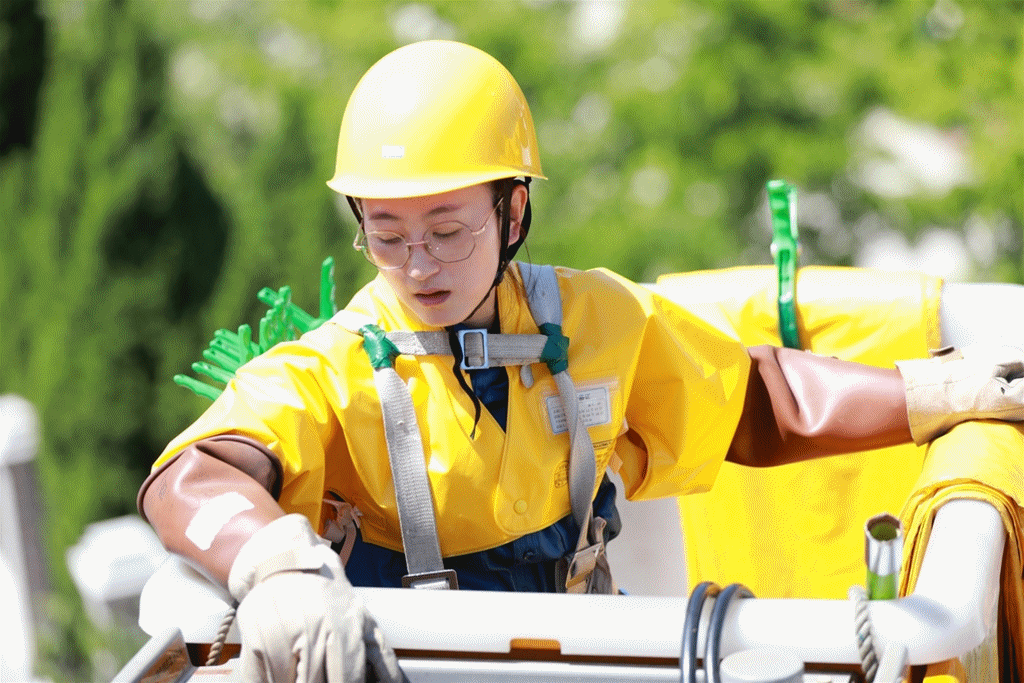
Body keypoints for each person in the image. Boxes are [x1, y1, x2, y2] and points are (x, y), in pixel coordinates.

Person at [137, 40, 1024, 682]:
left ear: (513, 212)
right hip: (406, 663)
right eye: (388, 233)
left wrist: (931, 388)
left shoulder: (594, 318)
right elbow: (192, 474)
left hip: (583, 650)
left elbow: (754, 397)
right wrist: (275, 565)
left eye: (449, 230)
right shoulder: (330, 370)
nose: (418, 264)